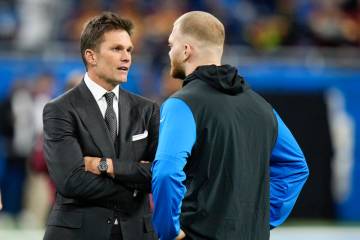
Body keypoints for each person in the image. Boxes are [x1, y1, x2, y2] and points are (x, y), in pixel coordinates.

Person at [151, 11, 309, 240]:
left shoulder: (180, 104)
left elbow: (166, 173)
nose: (169, 52)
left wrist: (169, 230)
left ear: (186, 50)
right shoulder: (262, 107)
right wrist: (261, 218)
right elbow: (296, 167)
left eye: (171, 44)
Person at [43, 12, 159, 240]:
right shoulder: (60, 109)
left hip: (137, 233)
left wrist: (105, 165)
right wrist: (135, 188)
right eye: (117, 49)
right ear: (91, 56)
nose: (127, 57)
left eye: (129, 50)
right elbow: (71, 181)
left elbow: (158, 173)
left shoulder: (147, 109)